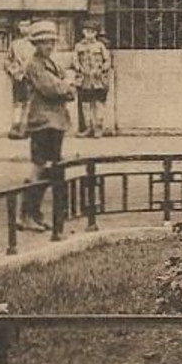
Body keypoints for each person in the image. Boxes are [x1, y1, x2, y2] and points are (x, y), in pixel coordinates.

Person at [18, 20, 75, 232]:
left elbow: (67, 85)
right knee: (39, 167)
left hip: (56, 121)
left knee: (49, 168)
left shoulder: (50, 63)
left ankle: (34, 213)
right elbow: (52, 88)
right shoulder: (34, 64)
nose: (48, 46)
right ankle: (26, 214)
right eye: (43, 42)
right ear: (35, 44)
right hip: (42, 121)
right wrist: (67, 85)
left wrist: (67, 86)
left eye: (51, 42)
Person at [72, 21, 112, 138]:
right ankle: (88, 127)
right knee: (85, 103)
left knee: (98, 103)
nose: (89, 34)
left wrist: (101, 69)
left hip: (98, 79)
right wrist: (79, 68)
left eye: (92, 32)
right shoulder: (78, 46)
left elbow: (107, 61)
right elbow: (75, 60)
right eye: (87, 31)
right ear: (83, 32)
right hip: (84, 79)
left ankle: (98, 127)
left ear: (96, 33)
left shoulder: (100, 46)